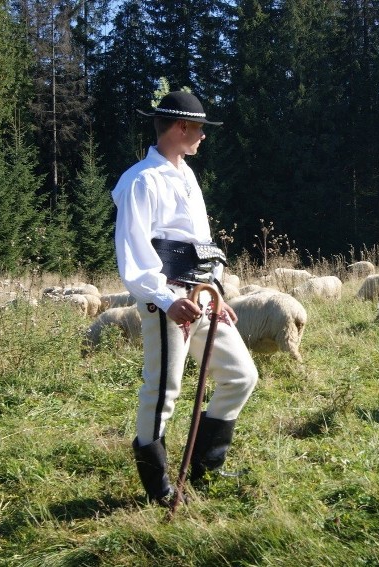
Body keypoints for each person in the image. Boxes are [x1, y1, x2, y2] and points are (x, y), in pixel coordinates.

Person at [111, 90, 259, 505]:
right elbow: (135, 251)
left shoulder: (187, 176)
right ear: (180, 127)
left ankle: (206, 468)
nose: (203, 137)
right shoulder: (141, 180)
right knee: (163, 392)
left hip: (203, 296)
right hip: (168, 300)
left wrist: (217, 290)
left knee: (241, 375)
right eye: (199, 129)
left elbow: (201, 243)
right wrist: (163, 298)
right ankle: (158, 487)